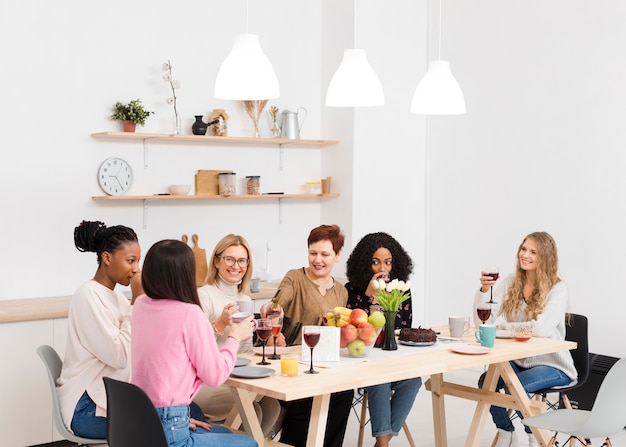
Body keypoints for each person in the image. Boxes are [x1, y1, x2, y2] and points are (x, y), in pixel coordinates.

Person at [131, 239, 257, 447]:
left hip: (144, 419)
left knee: (225, 432)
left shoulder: (141, 305)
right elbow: (215, 376)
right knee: (250, 444)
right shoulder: (190, 313)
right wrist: (234, 336)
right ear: (185, 274)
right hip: (169, 427)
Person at [473, 232, 577, 447]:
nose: (525, 255)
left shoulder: (558, 289)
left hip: (552, 364)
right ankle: (506, 432)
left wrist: (505, 327)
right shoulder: (512, 282)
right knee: (486, 382)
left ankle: (535, 437)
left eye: (533, 252)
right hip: (519, 360)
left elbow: (540, 329)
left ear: (545, 257)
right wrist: (484, 291)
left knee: (515, 386)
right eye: (523, 249)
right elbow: (483, 323)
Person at [260, 224, 353, 447]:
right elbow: (277, 302)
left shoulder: (341, 291)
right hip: (292, 365)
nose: (317, 260)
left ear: (337, 255)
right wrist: (273, 309)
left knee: (345, 392)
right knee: (309, 400)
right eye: (313, 253)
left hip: (322, 365)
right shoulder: (295, 278)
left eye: (325, 254)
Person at [57, 220, 141, 439]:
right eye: (130, 261)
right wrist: (137, 301)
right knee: (162, 426)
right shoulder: (88, 296)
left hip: (107, 397)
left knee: (188, 411)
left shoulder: (117, 297)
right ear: (107, 257)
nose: (136, 269)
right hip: (84, 406)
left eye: (137, 261)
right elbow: (120, 356)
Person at [194, 234, 281, 435]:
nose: (236, 266)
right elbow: (195, 347)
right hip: (207, 381)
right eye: (229, 259)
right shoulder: (203, 295)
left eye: (242, 260)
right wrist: (220, 323)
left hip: (236, 375)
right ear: (216, 261)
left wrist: (268, 338)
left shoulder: (244, 298)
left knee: (271, 405)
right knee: (251, 411)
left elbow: (244, 350)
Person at [345, 232, 421, 447]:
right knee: (380, 380)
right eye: (375, 262)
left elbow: (403, 329)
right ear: (364, 264)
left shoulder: (401, 291)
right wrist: (369, 297)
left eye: (387, 263)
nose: (382, 269)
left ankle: (382, 441)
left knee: (414, 381)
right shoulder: (351, 291)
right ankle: (383, 443)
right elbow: (350, 331)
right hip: (362, 362)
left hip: (391, 360)